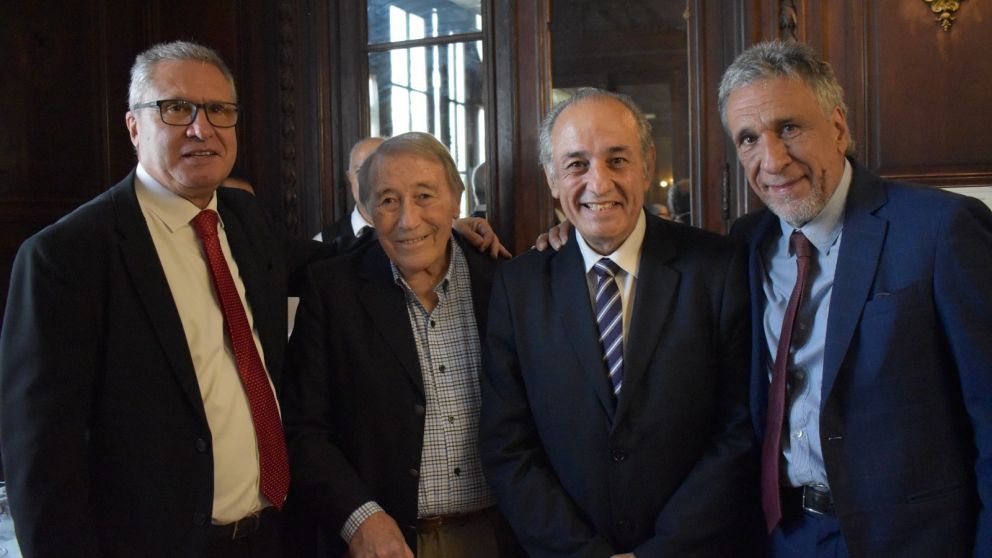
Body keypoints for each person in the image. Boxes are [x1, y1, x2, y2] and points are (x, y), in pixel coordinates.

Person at [0, 41, 332, 557]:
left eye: (220, 110)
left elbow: (334, 266)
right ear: (134, 126)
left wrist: (438, 233)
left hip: (273, 536)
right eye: (176, 109)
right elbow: (40, 460)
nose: (203, 129)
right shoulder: (66, 257)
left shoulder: (246, 222)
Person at [721, 40, 992, 557]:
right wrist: (561, 242)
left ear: (840, 128)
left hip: (914, 541)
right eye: (749, 138)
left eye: (790, 128)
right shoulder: (746, 242)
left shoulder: (940, 230)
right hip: (785, 536)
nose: (772, 160)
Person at [479, 88, 757, 557]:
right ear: (551, 178)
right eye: (576, 165)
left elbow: (740, 428)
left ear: (646, 164)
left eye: (617, 160)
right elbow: (508, 446)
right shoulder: (518, 287)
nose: (599, 183)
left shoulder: (718, 268)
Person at [283, 132, 521, 558]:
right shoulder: (333, 291)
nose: (408, 220)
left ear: (456, 199)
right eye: (389, 200)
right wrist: (360, 518)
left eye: (425, 196)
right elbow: (303, 430)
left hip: (498, 539)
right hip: (382, 545)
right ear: (368, 209)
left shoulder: (506, 282)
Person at [316, 136, 384, 244]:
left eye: (380, 170)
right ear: (350, 178)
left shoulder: (416, 233)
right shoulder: (323, 244)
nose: (369, 180)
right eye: (360, 171)